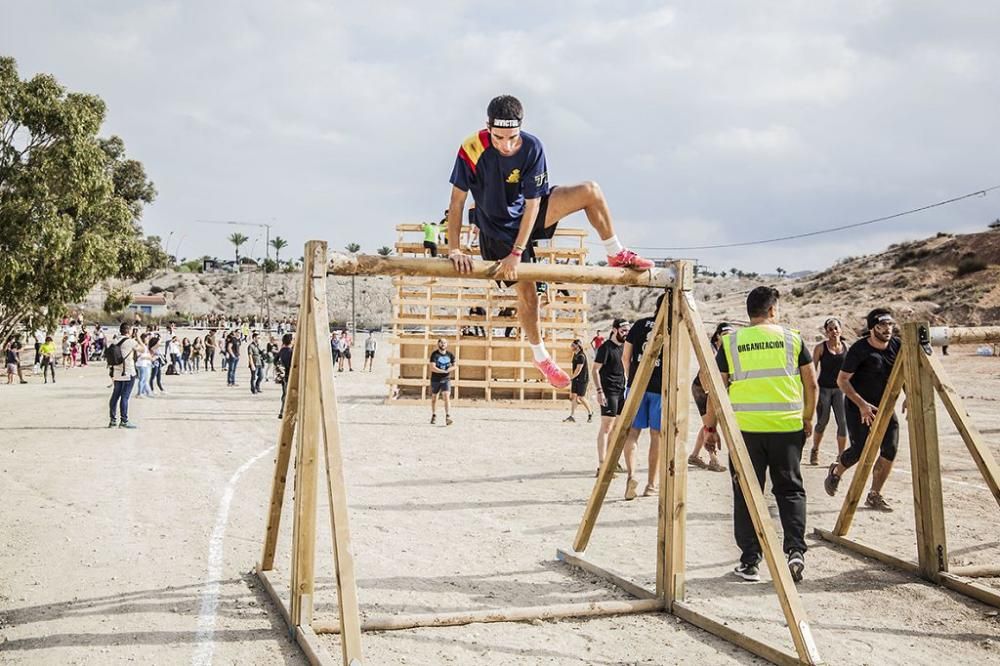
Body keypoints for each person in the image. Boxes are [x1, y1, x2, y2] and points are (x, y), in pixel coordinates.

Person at [446, 95, 654, 389]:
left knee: (590, 191)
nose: (506, 145)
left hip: (526, 218)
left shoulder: (532, 147)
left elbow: (533, 204)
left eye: (512, 137)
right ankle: (540, 355)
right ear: (487, 127)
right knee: (528, 294)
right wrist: (455, 248)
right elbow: (457, 201)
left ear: (521, 128)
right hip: (494, 229)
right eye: (498, 137)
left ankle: (615, 252)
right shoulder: (472, 147)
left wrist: (519, 251)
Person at [702, 286, 817, 583]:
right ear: (773, 310)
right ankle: (795, 551)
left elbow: (716, 389)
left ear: (749, 313)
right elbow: (811, 384)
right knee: (790, 490)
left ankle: (750, 561)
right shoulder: (792, 338)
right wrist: (807, 418)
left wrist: (710, 428)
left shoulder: (731, 343)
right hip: (787, 427)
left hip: (746, 431)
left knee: (747, 493)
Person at [824, 309, 901, 512]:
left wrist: (909, 395)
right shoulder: (859, 349)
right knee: (859, 451)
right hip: (857, 407)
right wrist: (862, 405)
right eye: (882, 325)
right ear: (872, 328)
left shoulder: (897, 345)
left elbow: (903, 371)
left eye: (890, 325)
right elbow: (842, 380)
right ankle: (836, 471)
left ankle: (874, 495)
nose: (887, 329)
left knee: (890, 449)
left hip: (884, 407)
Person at [622, 297, 666, 499]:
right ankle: (651, 485)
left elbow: (626, 356)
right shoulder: (672, 330)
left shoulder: (640, 324)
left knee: (632, 433)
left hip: (637, 385)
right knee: (656, 436)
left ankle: (632, 475)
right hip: (660, 388)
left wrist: (630, 377)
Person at [689, 323, 734, 473]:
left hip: (712, 390)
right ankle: (713, 460)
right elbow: (703, 375)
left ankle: (694, 455)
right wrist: (710, 395)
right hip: (702, 390)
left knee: (706, 424)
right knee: (710, 426)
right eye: (725, 335)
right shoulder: (712, 352)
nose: (728, 338)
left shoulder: (728, 350)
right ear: (718, 336)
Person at [592, 319, 630, 477]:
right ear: (615, 330)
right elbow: (595, 370)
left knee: (618, 428)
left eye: (628, 330)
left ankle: (612, 461)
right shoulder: (606, 347)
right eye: (623, 330)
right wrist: (600, 392)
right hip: (608, 391)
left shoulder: (625, 347)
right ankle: (602, 466)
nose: (626, 333)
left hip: (621, 391)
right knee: (606, 427)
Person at [810, 318, 848, 466]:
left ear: (841, 330)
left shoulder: (846, 348)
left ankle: (840, 456)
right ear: (826, 332)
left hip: (841, 390)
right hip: (824, 389)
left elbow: (852, 370)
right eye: (830, 329)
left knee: (843, 423)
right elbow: (812, 369)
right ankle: (815, 450)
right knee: (822, 421)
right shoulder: (820, 348)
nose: (834, 331)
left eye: (836, 328)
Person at [108, 321, 139, 428]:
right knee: (125, 397)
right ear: (129, 331)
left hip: (116, 373)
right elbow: (143, 349)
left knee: (115, 396)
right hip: (128, 372)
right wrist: (137, 337)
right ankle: (124, 421)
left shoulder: (114, 340)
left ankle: (112, 420)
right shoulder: (130, 341)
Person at [564, 339, 594, 423]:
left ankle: (590, 413)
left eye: (573, 345)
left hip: (582, 379)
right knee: (574, 396)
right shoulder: (575, 354)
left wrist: (571, 378)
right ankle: (572, 415)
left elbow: (578, 370)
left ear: (578, 346)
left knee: (581, 397)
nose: (571, 347)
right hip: (576, 379)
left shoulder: (581, 356)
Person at [429, 338, 455, 425]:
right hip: (435, 379)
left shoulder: (450, 355)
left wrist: (448, 370)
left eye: (445, 343)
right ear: (438, 344)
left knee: (446, 396)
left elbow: (455, 366)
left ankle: (448, 416)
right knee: (434, 398)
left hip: (446, 379)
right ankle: (434, 415)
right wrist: (442, 371)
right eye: (441, 343)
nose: (443, 344)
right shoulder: (434, 355)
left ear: (447, 344)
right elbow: (432, 367)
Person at [277, 333, 294, 418]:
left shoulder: (282, 350)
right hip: (289, 375)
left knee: (284, 394)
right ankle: (285, 411)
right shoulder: (290, 352)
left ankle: (282, 411)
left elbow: (275, 360)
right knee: (288, 395)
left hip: (284, 376)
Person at [134, 333, 153, 398]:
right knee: (142, 379)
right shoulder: (140, 346)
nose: (148, 340)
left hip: (143, 364)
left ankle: (144, 392)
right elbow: (141, 355)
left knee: (144, 379)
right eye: (146, 338)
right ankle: (140, 393)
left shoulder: (143, 346)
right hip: (141, 364)